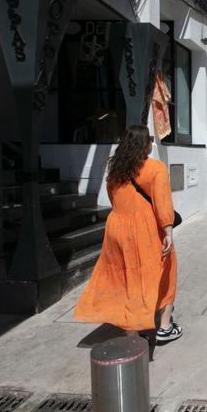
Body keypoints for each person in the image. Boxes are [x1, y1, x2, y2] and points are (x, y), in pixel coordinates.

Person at [74, 125, 182, 343]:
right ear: (145, 144)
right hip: (145, 229)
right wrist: (168, 230)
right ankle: (164, 326)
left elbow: (113, 200)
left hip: (117, 228)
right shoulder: (155, 168)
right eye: (150, 139)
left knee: (126, 276)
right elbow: (163, 204)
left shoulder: (116, 170)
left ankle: (133, 329)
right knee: (165, 271)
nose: (152, 142)